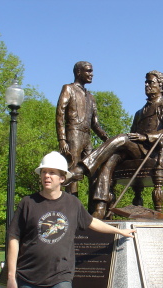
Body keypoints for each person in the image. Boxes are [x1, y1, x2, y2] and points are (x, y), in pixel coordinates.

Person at [6, 151, 135, 288]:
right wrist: (11, 276)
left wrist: (119, 231)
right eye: (44, 172)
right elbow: (14, 238)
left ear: (62, 178)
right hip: (28, 280)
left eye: (52, 172)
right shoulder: (28, 203)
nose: (47, 176)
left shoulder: (72, 203)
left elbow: (92, 222)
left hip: (60, 280)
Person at [68, 70, 163, 218]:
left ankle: (81, 168)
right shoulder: (140, 112)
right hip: (135, 151)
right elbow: (131, 136)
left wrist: (144, 137)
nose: (146, 85)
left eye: (150, 82)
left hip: (153, 150)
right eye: (146, 82)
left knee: (121, 138)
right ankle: (100, 208)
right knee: (110, 159)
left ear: (161, 86)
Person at [56, 61, 109, 197]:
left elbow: (95, 123)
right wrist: (62, 139)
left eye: (91, 71)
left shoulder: (91, 97)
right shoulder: (69, 88)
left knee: (94, 170)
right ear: (79, 72)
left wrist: (106, 138)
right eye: (88, 71)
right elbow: (60, 113)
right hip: (73, 134)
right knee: (72, 171)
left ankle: (94, 207)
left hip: (87, 137)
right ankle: (71, 203)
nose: (91, 74)